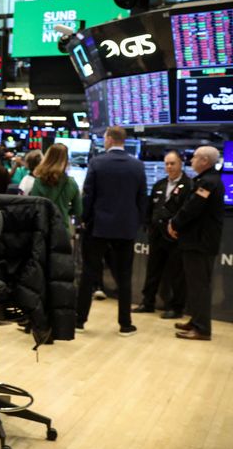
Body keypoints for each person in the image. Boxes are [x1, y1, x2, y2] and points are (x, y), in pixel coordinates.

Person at [75, 127, 147, 336]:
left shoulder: (97, 163)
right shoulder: (137, 165)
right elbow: (142, 198)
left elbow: (88, 196)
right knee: (124, 276)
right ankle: (125, 324)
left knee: (89, 273)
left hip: (98, 226)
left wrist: (85, 220)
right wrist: (137, 223)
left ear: (109, 139)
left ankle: (80, 320)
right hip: (125, 228)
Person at [168, 146, 224, 341]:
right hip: (196, 241)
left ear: (205, 161)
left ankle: (202, 328)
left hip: (200, 243)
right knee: (194, 285)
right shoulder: (205, 180)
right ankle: (196, 320)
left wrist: (174, 223)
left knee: (199, 285)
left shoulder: (208, 182)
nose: (191, 160)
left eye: (195, 158)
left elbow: (192, 208)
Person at [133, 151, 192, 319]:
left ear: (181, 164)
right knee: (153, 270)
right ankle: (147, 302)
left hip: (175, 236)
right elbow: (150, 208)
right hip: (157, 234)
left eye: (172, 163)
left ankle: (176, 307)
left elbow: (187, 211)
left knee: (176, 273)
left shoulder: (189, 185)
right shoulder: (159, 184)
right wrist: (148, 224)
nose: (169, 167)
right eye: (166, 163)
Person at [29, 144, 82, 230]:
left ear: (47, 158)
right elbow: (78, 210)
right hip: (62, 230)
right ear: (66, 160)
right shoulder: (71, 183)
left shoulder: (39, 181)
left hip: (42, 229)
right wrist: (64, 210)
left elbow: (33, 206)